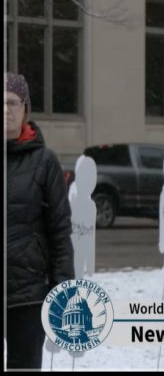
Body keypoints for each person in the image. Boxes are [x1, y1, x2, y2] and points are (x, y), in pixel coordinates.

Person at [5, 73, 75, 369]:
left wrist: (62, 294)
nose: (6, 110)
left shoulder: (44, 162)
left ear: (26, 110)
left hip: (27, 295)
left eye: (12, 103)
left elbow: (59, 232)